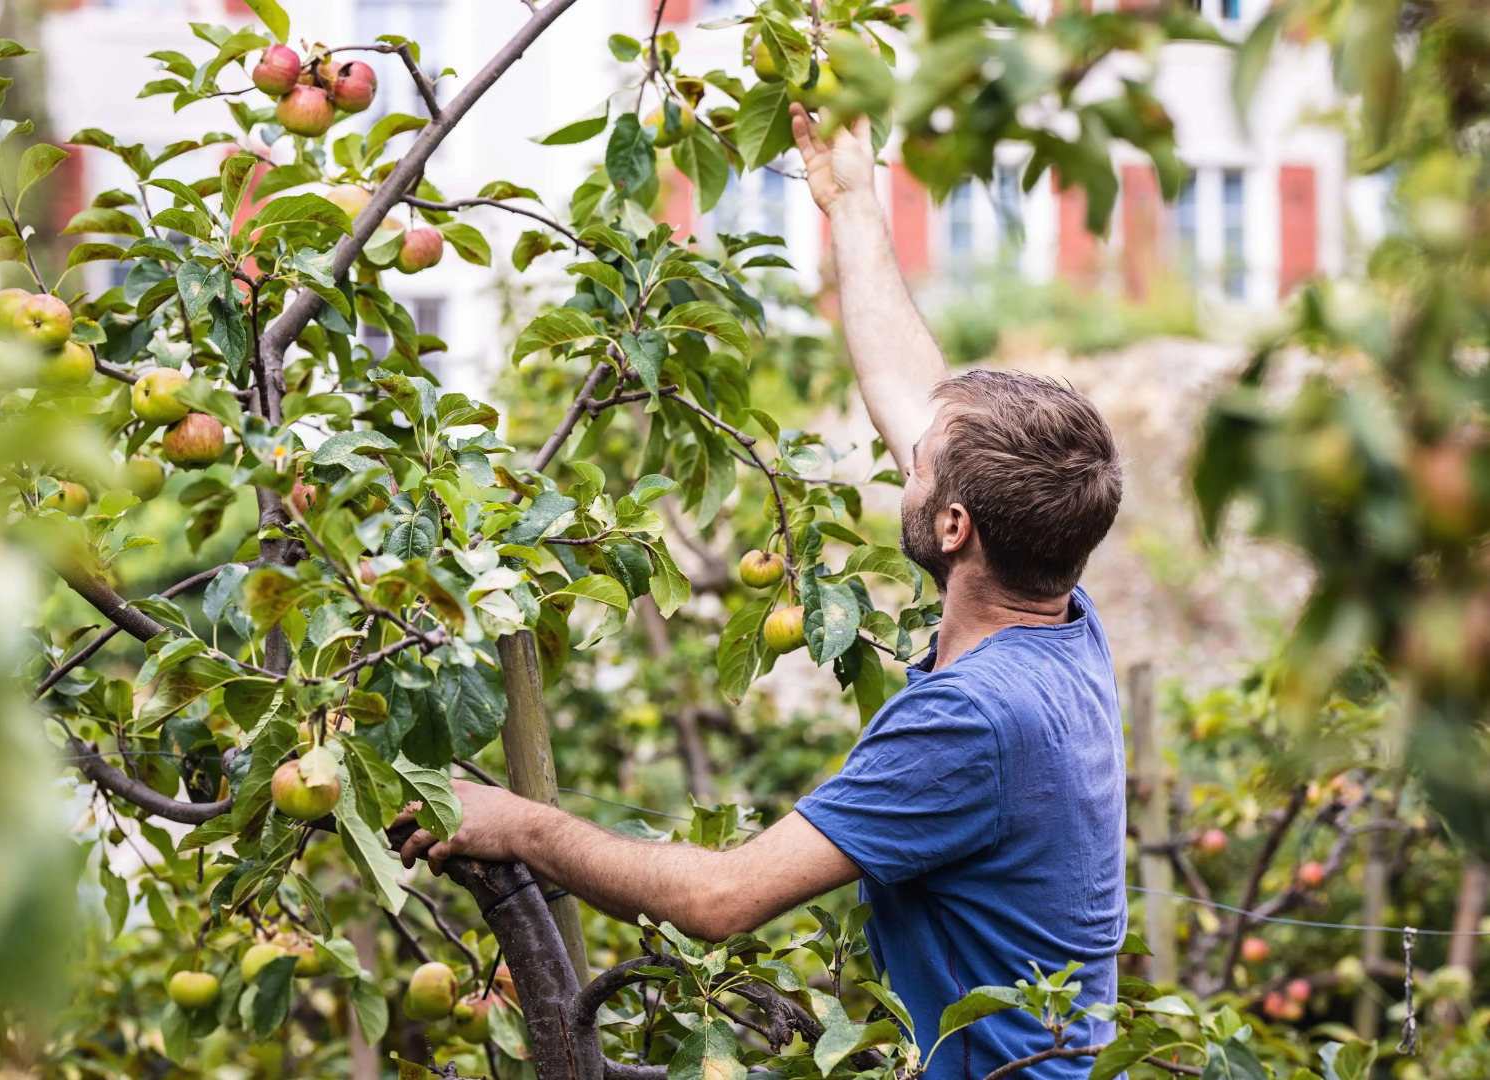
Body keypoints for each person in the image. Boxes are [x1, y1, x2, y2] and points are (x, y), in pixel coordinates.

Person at [398, 105, 1128, 1080]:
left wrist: (513, 823)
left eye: (915, 467)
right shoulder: (1060, 627)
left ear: (954, 528)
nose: (899, 462)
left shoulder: (972, 718)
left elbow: (719, 898)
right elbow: (914, 398)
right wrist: (851, 204)